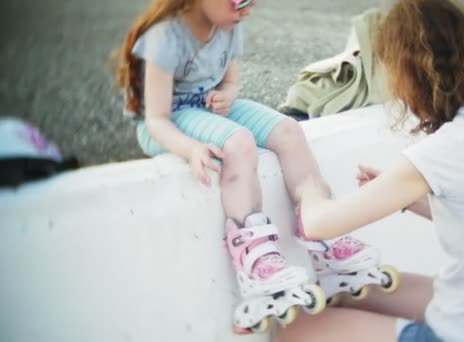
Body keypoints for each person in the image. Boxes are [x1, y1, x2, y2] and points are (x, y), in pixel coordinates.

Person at [280, 0, 464, 341]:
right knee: (351, 290)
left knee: (296, 330)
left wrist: (309, 187)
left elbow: (318, 225)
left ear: (407, 71)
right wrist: (404, 197)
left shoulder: (445, 149)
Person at [114, 0, 393, 333]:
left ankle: (324, 228)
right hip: (170, 122)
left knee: (289, 131)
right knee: (239, 143)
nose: (246, 7)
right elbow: (155, 120)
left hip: (212, 112)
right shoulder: (165, 38)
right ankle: (254, 261)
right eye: (238, 0)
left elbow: (230, 83)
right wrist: (189, 150)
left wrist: (228, 95)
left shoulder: (229, 25)